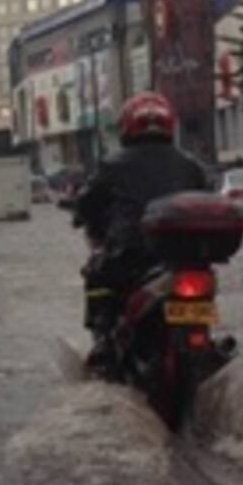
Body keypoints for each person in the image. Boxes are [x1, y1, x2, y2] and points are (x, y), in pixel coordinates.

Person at [74, 92, 207, 374]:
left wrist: (81, 215)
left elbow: (88, 202)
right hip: (187, 258)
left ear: (127, 127)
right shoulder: (191, 166)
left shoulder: (112, 165)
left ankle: (103, 343)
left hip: (132, 256)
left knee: (97, 276)